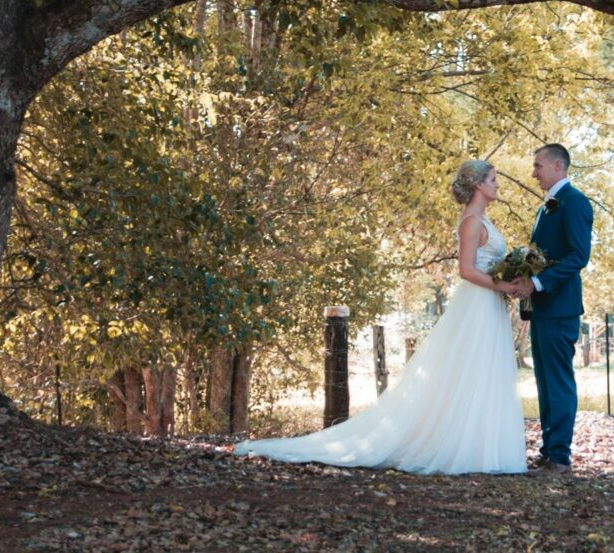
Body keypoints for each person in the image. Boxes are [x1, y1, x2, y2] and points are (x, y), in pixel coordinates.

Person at [233, 159, 527, 473]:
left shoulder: (484, 220)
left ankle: (482, 447)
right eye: (494, 179)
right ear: (480, 185)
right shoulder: (470, 221)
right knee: (471, 370)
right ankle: (463, 447)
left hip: (489, 303)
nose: (497, 185)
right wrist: (503, 284)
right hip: (477, 305)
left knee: (484, 371)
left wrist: (509, 275)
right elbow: (466, 269)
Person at [512, 141, 593, 471]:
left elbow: (578, 256)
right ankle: (550, 449)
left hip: (560, 308)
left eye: (538, 166)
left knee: (558, 381)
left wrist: (538, 283)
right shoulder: (544, 208)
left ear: (558, 167)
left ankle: (560, 455)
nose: (533, 173)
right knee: (545, 382)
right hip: (543, 309)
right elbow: (541, 254)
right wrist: (517, 273)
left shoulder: (575, 203)